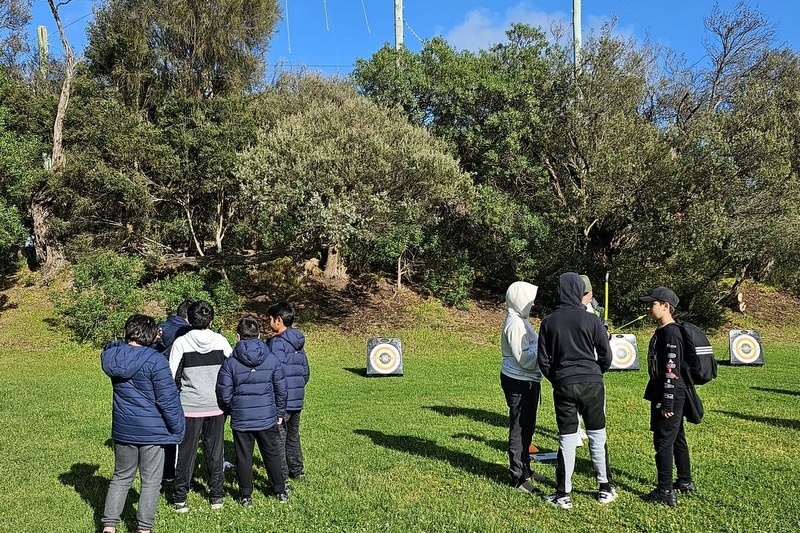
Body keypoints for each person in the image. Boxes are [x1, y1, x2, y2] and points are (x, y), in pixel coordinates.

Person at [100, 314, 185, 533]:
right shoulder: (156, 360)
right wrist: (178, 427)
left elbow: (115, 345)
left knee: (121, 477)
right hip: (153, 431)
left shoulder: (112, 356)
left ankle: (109, 526)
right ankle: (144, 528)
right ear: (152, 334)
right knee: (150, 481)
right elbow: (168, 399)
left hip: (124, 428)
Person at [537, 272, 615, 509]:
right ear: (579, 291)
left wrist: (557, 378)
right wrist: (596, 372)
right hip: (592, 382)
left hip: (564, 384)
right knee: (597, 434)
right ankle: (605, 488)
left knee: (568, 438)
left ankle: (563, 494)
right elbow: (606, 355)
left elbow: (543, 360)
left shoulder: (549, 321)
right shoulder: (591, 320)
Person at [217, 316, 289, 505]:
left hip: (242, 418)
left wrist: (232, 409)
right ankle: (279, 490)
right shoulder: (271, 358)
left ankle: (245, 495)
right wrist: (280, 413)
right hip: (267, 417)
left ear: (238, 336)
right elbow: (281, 388)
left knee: (243, 457)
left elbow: (223, 393)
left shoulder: (230, 362)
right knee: (272, 454)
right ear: (259, 334)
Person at [169, 301, 233, 512]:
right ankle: (216, 496)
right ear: (211, 320)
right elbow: (231, 372)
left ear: (188, 319)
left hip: (189, 407)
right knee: (216, 452)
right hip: (216, 406)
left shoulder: (181, 343)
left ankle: (180, 498)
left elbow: (172, 377)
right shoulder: (221, 341)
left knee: (185, 453)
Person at [639, 286, 695, 507]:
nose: (648, 307)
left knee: (663, 441)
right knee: (677, 436)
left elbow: (671, 369)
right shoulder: (663, 331)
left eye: (652, 304)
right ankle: (684, 481)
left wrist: (668, 401)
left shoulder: (671, 332)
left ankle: (665, 490)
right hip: (664, 390)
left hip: (670, 391)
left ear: (665, 306)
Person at [499, 281, 542, 493]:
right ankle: (517, 477)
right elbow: (524, 358)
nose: (532, 305)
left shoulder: (521, 320)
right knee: (519, 428)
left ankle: (526, 468)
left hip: (527, 379)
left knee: (528, 426)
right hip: (519, 380)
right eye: (529, 301)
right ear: (519, 300)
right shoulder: (514, 324)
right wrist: (544, 354)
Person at [267, 301, 311, 483]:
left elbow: (273, 372)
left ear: (278, 321)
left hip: (281, 400)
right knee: (293, 436)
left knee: (279, 436)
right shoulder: (298, 342)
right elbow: (306, 372)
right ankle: (297, 469)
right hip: (296, 399)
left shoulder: (276, 344)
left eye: (270, 319)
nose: (268, 322)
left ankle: (282, 474)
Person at [155, 299, 193, 484]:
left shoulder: (158, 328)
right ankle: (177, 472)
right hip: (178, 385)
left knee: (164, 425)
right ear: (188, 316)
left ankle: (164, 472)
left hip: (157, 382)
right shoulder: (187, 334)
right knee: (178, 427)